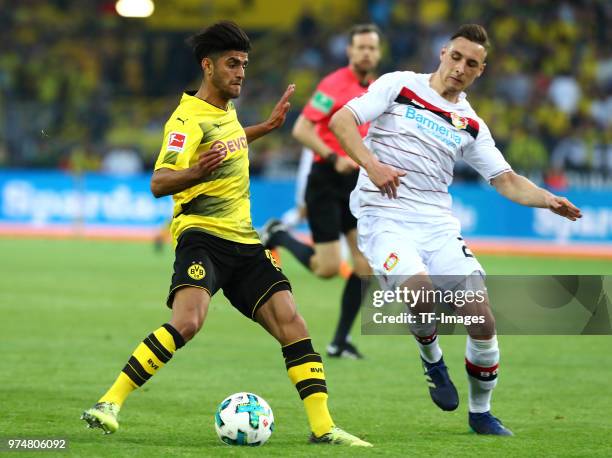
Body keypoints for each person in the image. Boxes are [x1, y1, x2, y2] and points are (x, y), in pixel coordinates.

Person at [81, 21, 371, 447]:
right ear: (208, 66)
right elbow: (159, 182)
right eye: (232, 64)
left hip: (245, 241)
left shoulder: (225, 111)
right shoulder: (186, 120)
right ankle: (110, 403)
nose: (240, 73)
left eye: (245, 65)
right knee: (189, 321)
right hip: (203, 238)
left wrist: (266, 127)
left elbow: (229, 140)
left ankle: (323, 428)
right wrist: (197, 171)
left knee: (294, 324)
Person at [328, 24, 582, 435]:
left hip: (437, 225)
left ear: (480, 71)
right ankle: (432, 359)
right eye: (457, 57)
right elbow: (342, 120)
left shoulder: (471, 124)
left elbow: (506, 179)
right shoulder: (399, 85)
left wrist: (548, 198)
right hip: (385, 219)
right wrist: (372, 166)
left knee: (482, 319)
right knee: (420, 292)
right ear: (443, 52)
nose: (460, 68)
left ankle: (481, 414)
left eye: (472, 64)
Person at [260, 24, 382, 359]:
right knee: (327, 269)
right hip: (326, 179)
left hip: (355, 183)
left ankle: (339, 342)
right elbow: (301, 128)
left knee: (365, 267)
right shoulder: (332, 85)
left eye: (372, 48)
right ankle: (279, 233)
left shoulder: (377, 88)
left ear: (378, 52)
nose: (366, 53)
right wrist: (332, 156)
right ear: (350, 51)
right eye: (361, 47)